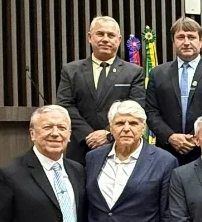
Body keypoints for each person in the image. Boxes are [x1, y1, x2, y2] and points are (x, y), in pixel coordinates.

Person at [55, 16, 145, 165]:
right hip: (80, 147)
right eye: (100, 34)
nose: (105, 39)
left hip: (118, 147)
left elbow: (136, 107)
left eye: (111, 35)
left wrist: (108, 133)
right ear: (90, 37)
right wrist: (88, 135)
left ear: (119, 39)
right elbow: (65, 105)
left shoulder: (134, 72)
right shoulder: (71, 71)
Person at [145, 17, 202, 167]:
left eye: (191, 37)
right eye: (180, 37)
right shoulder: (157, 73)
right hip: (168, 152)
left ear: (200, 41)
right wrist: (170, 137)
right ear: (173, 42)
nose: (186, 42)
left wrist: (196, 137)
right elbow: (151, 111)